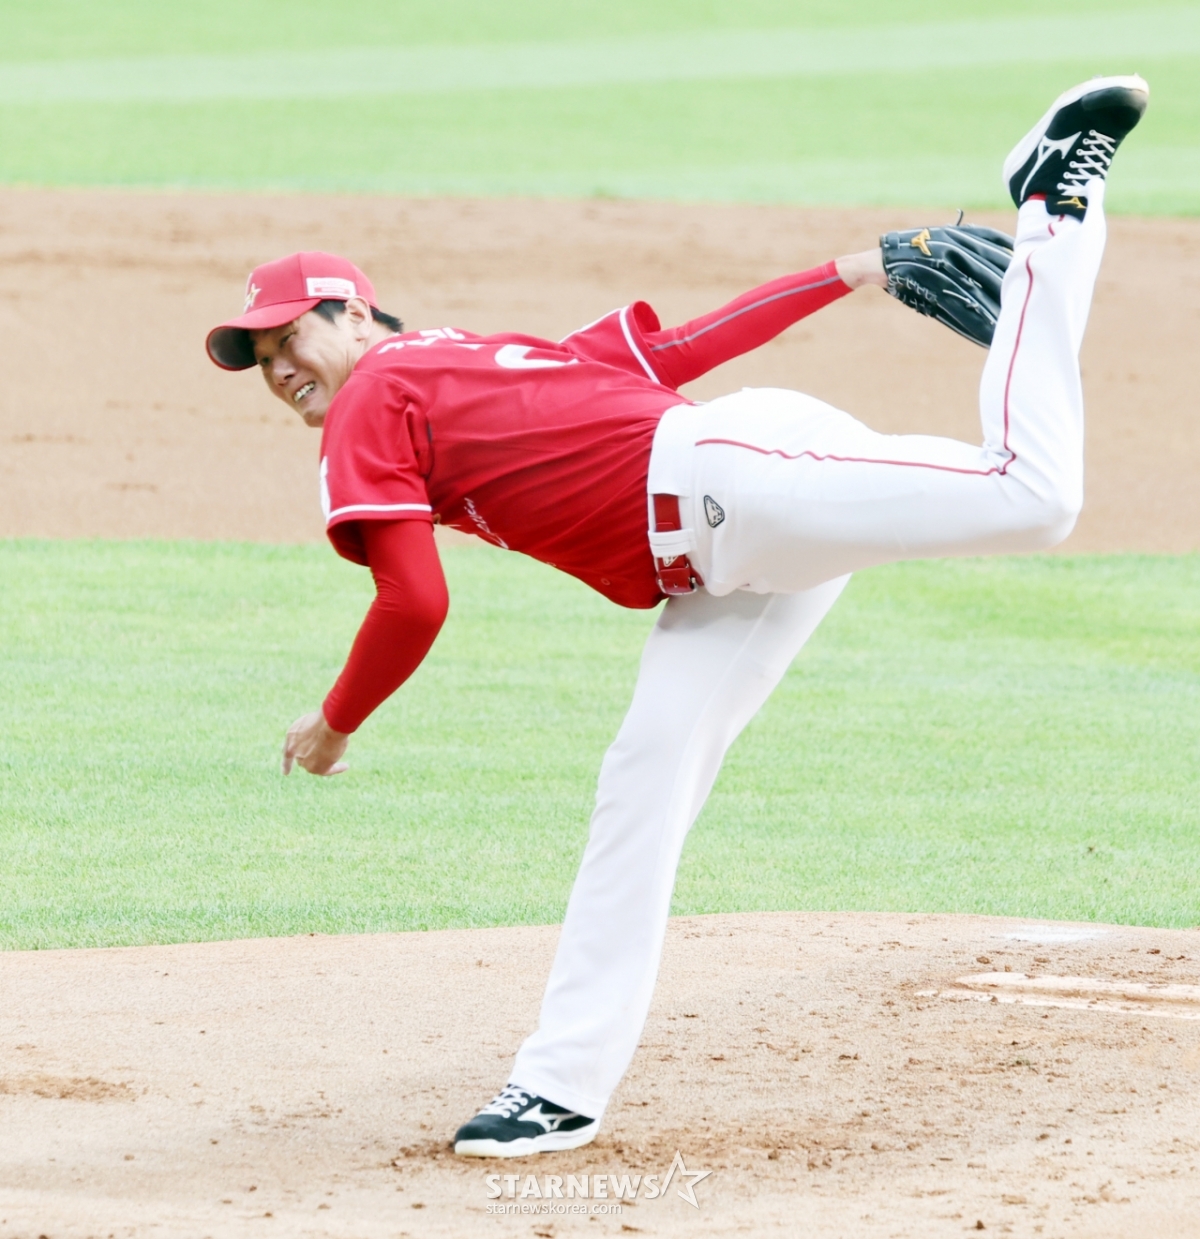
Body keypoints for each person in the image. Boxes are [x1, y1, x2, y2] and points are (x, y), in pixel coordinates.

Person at [205, 76, 1148, 1158]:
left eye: (287, 337)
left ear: (355, 315)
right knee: (643, 780)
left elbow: (415, 599)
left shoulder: (374, 398)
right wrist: (846, 270)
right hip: (731, 534)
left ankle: (1051, 207)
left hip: (737, 488)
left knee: (1036, 496)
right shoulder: (464, 356)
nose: (277, 369)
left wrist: (335, 724)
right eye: (260, 358)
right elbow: (682, 350)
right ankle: (557, 1086)